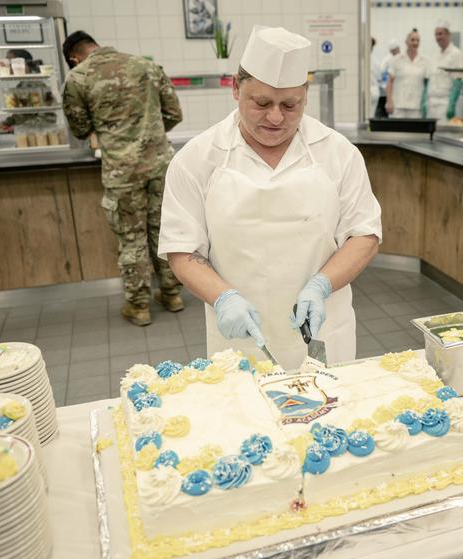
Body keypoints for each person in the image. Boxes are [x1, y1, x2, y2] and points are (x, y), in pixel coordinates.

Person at [158, 26, 382, 369]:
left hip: (324, 335)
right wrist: (223, 298)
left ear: (305, 97)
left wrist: (322, 285)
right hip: (241, 341)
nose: (276, 117)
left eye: (290, 105)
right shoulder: (197, 159)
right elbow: (182, 250)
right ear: (235, 88)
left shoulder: (338, 153)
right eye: (261, 103)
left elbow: (363, 234)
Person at [61, 31, 185, 326]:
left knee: (132, 239)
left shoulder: (78, 79)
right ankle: (172, 294)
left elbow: (79, 129)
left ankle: (139, 306)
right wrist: (149, 134)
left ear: (73, 58)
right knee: (164, 231)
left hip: (121, 171)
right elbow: (173, 113)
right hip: (160, 165)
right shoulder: (145, 65)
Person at [385, 29, 430, 118]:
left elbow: (427, 84)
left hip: (416, 107)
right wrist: (389, 101)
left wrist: (426, 102)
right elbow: (390, 82)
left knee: (414, 131)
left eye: (418, 40)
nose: (415, 42)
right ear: (406, 42)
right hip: (398, 106)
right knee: (396, 131)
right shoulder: (397, 59)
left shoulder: (424, 61)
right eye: (412, 40)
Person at [428, 20, 463, 123]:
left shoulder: (456, 54)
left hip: (446, 104)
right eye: (436, 34)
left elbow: (458, 81)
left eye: (441, 34)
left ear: (449, 34)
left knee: (444, 134)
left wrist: (452, 104)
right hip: (432, 105)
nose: (438, 37)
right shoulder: (435, 56)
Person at [376, 39, 400, 118]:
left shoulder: (402, 58)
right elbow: (381, 74)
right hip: (389, 88)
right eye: (393, 50)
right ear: (391, 51)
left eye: (396, 50)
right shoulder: (387, 60)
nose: (396, 52)